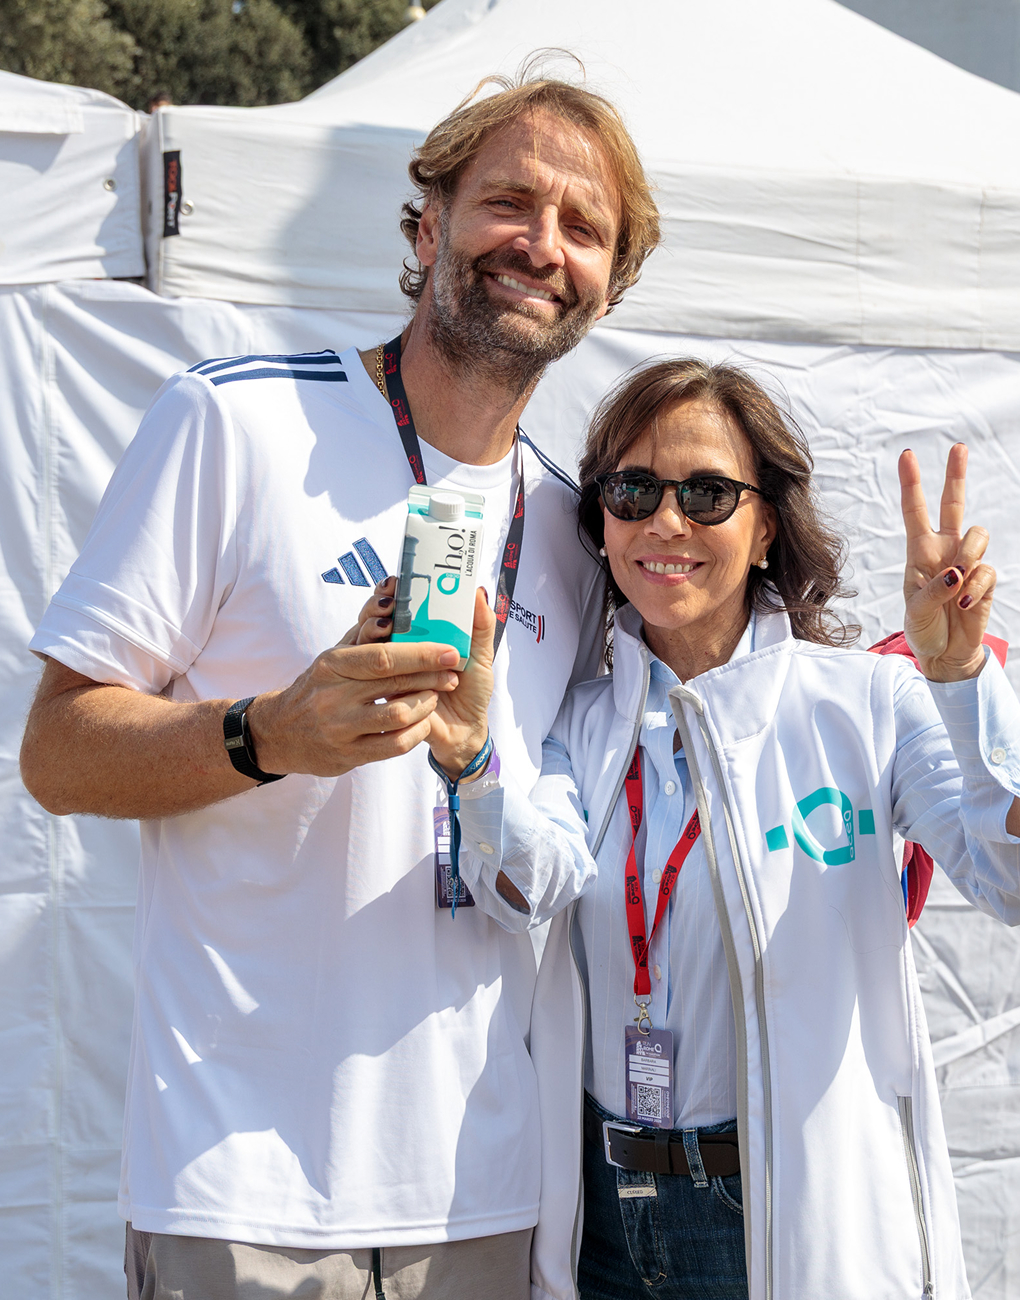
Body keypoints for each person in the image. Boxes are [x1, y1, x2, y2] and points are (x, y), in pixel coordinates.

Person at [18, 70, 660, 1300]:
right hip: (240, 1182)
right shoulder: (236, 423)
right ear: (428, 225)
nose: (542, 244)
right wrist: (272, 732)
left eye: (584, 229)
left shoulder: (584, 537)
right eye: (508, 202)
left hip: (485, 1191)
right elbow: (57, 750)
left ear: (611, 284)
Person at [419, 357, 1020, 1300]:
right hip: (606, 1220)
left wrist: (963, 685)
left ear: (767, 525)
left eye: (706, 493)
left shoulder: (866, 702)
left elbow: (1007, 873)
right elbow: (528, 884)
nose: (666, 521)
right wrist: (473, 768)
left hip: (783, 1222)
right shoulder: (582, 719)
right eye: (633, 490)